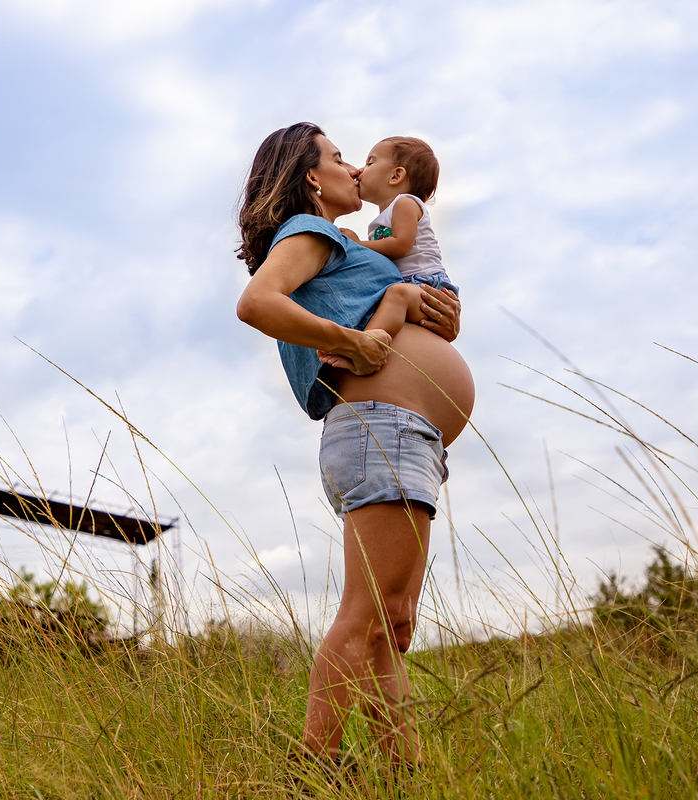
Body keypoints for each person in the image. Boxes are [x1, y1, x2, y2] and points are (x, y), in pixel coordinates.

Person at [235, 123, 475, 769]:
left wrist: (435, 311)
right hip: (380, 426)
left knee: (391, 627)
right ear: (312, 178)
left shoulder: (346, 242)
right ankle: (314, 769)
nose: (351, 168)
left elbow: (393, 298)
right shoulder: (308, 231)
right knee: (367, 615)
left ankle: (403, 771)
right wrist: (353, 342)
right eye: (339, 158)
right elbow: (258, 302)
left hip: (405, 433)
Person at [334, 136, 458, 353]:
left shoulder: (405, 203)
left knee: (396, 295)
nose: (361, 170)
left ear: (396, 175)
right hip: (411, 286)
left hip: (427, 285)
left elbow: (401, 246)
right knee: (394, 296)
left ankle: (364, 347)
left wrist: (357, 245)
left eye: (370, 163)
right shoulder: (386, 215)